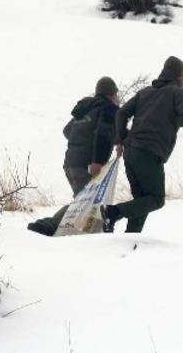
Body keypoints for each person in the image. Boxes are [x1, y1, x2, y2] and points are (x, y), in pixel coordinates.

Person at [101, 56, 183, 233]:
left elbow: (121, 113)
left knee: (141, 201)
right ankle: (113, 212)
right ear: (180, 76)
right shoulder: (179, 94)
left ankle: (130, 238)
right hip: (149, 153)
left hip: (131, 153)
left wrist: (122, 139)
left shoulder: (145, 92)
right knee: (156, 199)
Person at [27, 76, 120, 236]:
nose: (117, 99)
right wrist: (96, 161)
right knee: (83, 202)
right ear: (111, 95)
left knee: (86, 201)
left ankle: (93, 232)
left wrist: (81, 143)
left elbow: (67, 130)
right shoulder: (107, 109)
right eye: (116, 95)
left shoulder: (86, 110)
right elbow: (104, 135)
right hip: (88, 166)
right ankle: (48, 225)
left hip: (70, 164)